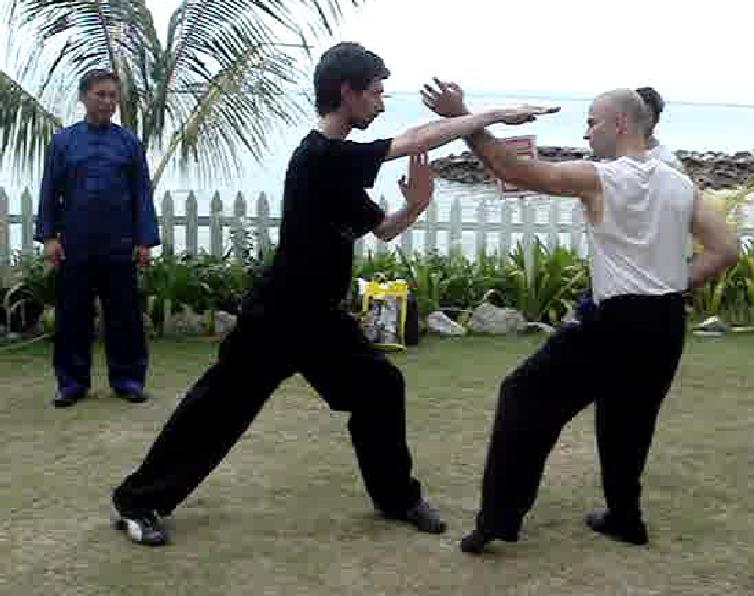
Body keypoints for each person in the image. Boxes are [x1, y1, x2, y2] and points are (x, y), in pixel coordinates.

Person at [110, 42, 557, 546]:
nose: (382, 104)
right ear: (347, 92)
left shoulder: (338, 168)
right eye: (375, 93)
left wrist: (418, 204)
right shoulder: (321, 154)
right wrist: (491, 115)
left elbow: (383, 229)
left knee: (381, 389)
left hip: (320, 319)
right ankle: (137, 501)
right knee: (217, 411)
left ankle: (397, 498)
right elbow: (413, 139)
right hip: (277, 316)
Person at [421, 82, 737, 553]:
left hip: (614, 322)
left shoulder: (601, 177)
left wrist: (463, 116)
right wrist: (668, 285)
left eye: (592, 122)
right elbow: (726, 249)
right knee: (628, 420)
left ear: (620, 123)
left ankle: (496, 521)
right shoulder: (678, 181)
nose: (586, 133)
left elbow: (512, 168)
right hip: (665, 322)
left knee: (523, 396)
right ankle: (625, 517)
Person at [35, 69, 159, 408]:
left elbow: (141, 195)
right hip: (75, 244)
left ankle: (128, 380)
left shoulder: (128, 143)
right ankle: (71, 384)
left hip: (119, 244)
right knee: (72, 316)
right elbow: (50, 192)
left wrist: (144, 241)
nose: (107, 102)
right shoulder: (64, 143)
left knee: (125, 317)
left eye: (112, 96)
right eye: (100, 94)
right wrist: (48, 237)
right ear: (84, 97)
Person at [636, 86, 683, 171]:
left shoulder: (667, 161)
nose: (638, 121)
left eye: (645, 116)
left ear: (656, 119)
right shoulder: (613, 154)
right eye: (635, 115)